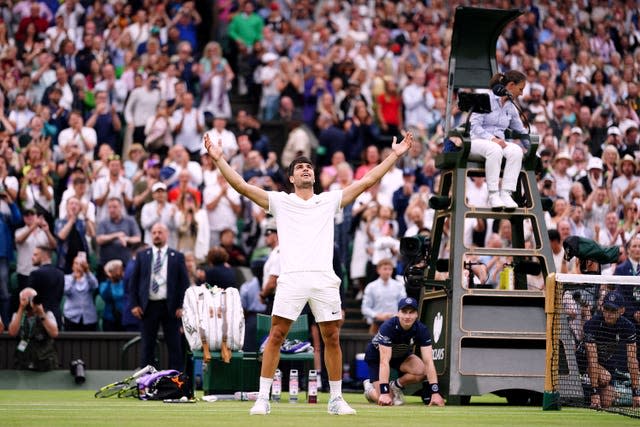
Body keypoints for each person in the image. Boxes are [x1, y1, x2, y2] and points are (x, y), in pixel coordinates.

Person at [203, 129, 414, 416]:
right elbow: (240, 185)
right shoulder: (279, 201)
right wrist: (218, 159)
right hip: (292, 278)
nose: (305, 169)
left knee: (332, 337)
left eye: (309, 167)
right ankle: (263, 398)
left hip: (324, 278)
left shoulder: (328, 201)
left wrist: (395, 155)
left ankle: (336, 399)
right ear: (291, 178)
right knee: (276, 335)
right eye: (300, 167)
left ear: (313, 176)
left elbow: (367, 180)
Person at [362, 297, 445, 407]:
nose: (407, 316)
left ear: (416, 314)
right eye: (404, 312)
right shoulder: (388, 327)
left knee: (421, 371)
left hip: (400, 356)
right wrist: (385, 393)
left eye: (411, 312)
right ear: (398, 313)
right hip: (377, 358)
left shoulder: (422, 330)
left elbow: (429, 362)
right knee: (387, 400)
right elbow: (384, 362)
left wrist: (435, 393)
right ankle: (369, 389)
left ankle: (395, 386)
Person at [129, 223, 189, 371]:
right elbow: (133, 282)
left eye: (160, 232)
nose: (156, 235)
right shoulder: (142, 256)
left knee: (174, 345)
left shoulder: (177, 257)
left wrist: (182, 306)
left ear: (167, 234)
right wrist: (135, 304)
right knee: (147, 346)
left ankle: (176, 380)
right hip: (148, 306)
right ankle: (146, 382)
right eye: (154, 232)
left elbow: (184, 284)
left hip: (171, 307)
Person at [469, 70, 528, 210]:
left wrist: (534, 152)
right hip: (477, 142)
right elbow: (474, 126)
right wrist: (492, 139)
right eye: (520, 89)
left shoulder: (510, 105)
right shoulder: (485, 98)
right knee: (494, 149)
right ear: (511, 85)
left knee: (516, 150)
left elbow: (521, 130)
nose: (521, 93)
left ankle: (506, 193)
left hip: (498, 144)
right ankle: (493, 194)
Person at [583, 291, 640, 409]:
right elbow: (592, 359)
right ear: (602, 308)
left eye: (613, 310)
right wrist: (594, 393)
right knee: (605, 377)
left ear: (622, 310)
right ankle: (589, 390)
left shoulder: (628, 327)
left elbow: (632, 360)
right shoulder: (592, 324)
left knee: (607, 402)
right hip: (585, 363)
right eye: (606, 309)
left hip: (608, 366)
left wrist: (636, 393)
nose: (608, 313)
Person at [8, 287, 59, 371]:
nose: (30, 302)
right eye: (26, 299)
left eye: (32, 298)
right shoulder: (17, 315)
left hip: (45, 363)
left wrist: (41, 313)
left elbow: (54, 333)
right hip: (23, 362)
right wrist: (21, 308)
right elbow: (12, 332)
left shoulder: (47, 314)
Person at [361, 258, 407, 335]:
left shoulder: (399, 286)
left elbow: (404, 305)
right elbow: (365, 308)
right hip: (376, 324)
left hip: (395, 324)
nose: (387, 272)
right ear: (378, 270)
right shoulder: (371, 286)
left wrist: (396, 315)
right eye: (385, 269)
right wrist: (377, 315)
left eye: (390, 269)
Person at [28, 245, 64, 326]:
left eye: (35, 254)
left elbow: (31, 300)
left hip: (40, 320)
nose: (32, 257)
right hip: (56, 317)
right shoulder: (61, 274)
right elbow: (59, 297)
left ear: (44, 256)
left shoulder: (35, 274)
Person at [62, 254, 99, 331]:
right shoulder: (67, 278)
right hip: (71, 317)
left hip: (88, 317)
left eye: (81, 264)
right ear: (72, 265)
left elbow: (95, 285)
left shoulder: (89, 278)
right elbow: (66, 290)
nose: (78, 266)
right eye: (76, 263)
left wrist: (87, 271)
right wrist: (74, 278)